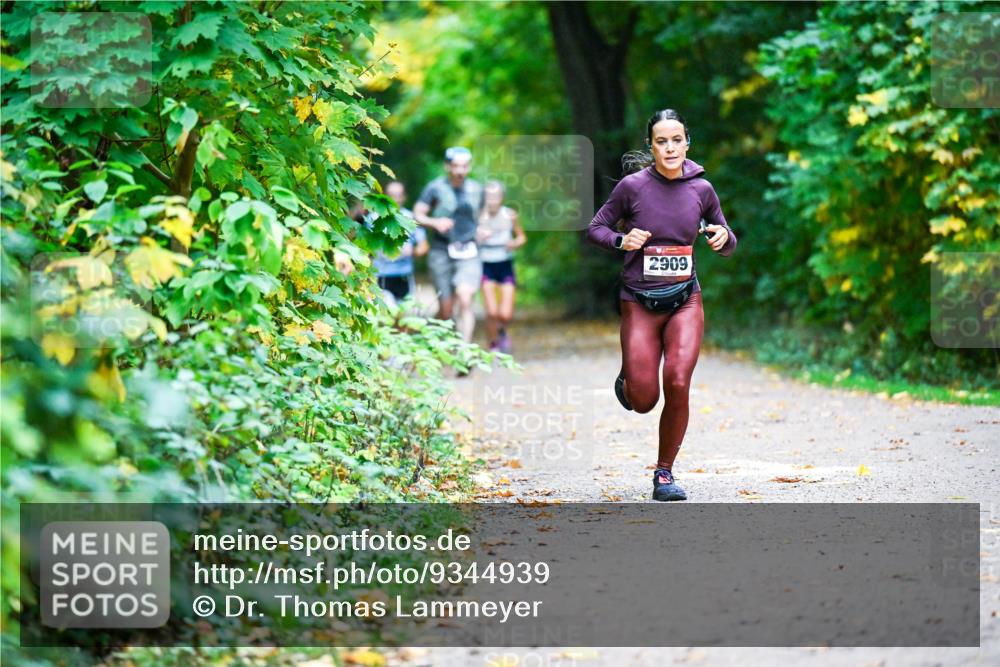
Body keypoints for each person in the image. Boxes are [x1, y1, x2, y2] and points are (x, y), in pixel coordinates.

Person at [586, 109, 738, 502]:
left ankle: (665, 473)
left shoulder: (702, 189)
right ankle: (630, 379)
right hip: (638, 301)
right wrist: (622, 242)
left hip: (685, 300)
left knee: (678, 380)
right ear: (650, 146)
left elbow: (727, 237)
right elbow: (596, 228)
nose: (669, 147)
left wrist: (723, 237)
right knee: (644, 400)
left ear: (687, 142)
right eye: (661, 141)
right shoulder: (633, 188)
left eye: (676, 140)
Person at [413, 147, 484, 343]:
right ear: (447, 166)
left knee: (465, 298)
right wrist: (435, 222)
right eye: (455, 166)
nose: (460, 171)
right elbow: (417, 214)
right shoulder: (434, 188)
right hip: (441, 250)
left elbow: (484, 216)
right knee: (446, 308)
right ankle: (437, 341)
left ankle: (465, 350)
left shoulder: (477, 189)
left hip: (469, 250)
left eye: (464, 166)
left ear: (469, 167)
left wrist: (483, 230)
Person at [476, 180, 526, 353]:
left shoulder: (510, 215)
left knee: (505, 314)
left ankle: (502, 331)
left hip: (505, 264)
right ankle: (493, 343)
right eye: (488, 196)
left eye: (496, 196)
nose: (492, 199)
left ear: (502, 197)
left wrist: (514, 243)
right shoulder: (478, 216)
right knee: (491, 311)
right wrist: (479, 238)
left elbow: (521, 237)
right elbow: (468, 239)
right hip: (485, 265)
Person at [373, 180, 428, 306]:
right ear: (384, 196)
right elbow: (361, 245)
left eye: (398, 195)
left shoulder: (411, 218)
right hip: (380, 275)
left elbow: (424, 246)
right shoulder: (373, 218)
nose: (395, 199)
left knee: (404, 317)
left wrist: (411, 252)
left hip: (404, 275)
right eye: (391, 195)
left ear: (404, 197)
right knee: (386, 316)